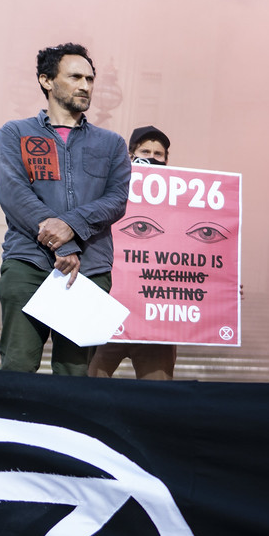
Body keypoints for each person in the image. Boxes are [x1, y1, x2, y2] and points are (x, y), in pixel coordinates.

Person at [0, 44, 132, 374]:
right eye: (75, 77)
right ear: (46, 81)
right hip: (28, 263)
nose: (86, 85)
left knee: (75, 375)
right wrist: (64, 244)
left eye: (90, 79)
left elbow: (116, 200)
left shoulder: (111, 143)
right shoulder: (15, 133)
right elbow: (14, 195)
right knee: (17, 368)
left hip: (90, 270)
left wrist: (69, 226)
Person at [89, 125, 177, 382]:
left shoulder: (183, 204)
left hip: (156, 321)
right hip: (108, 311)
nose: (152, 157)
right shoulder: (107, 191)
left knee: (158, 397)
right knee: (89, 385)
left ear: (167, 160)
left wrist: (221, 285)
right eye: (145, 151)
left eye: (158, 154)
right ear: (130, 155)